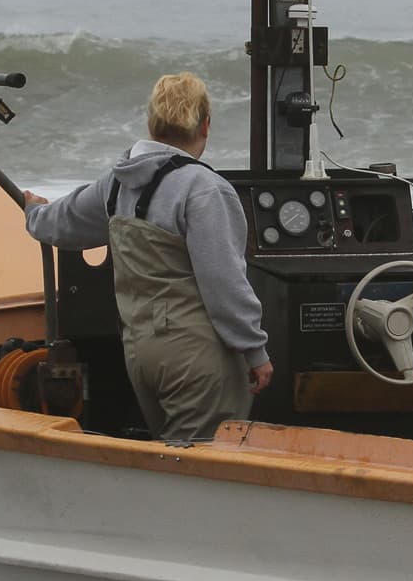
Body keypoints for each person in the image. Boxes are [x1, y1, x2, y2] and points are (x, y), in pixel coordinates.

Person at [22, 72, 273, 444]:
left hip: (142, 355)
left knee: (170, 457)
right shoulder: (204, 189)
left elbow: (62, 223)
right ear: (205, 124)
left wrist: (33, 211)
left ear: (152, 124)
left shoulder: (117, 184)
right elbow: (223, 283)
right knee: (204, 466)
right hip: (194, 356)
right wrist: (255, 350)